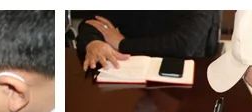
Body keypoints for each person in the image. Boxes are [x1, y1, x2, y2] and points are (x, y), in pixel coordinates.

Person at [76, 11, 220, 70]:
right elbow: (92, 22)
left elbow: (183, 45)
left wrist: (122, 44)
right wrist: (94, 42)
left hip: (185, 83)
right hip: (132, 75)